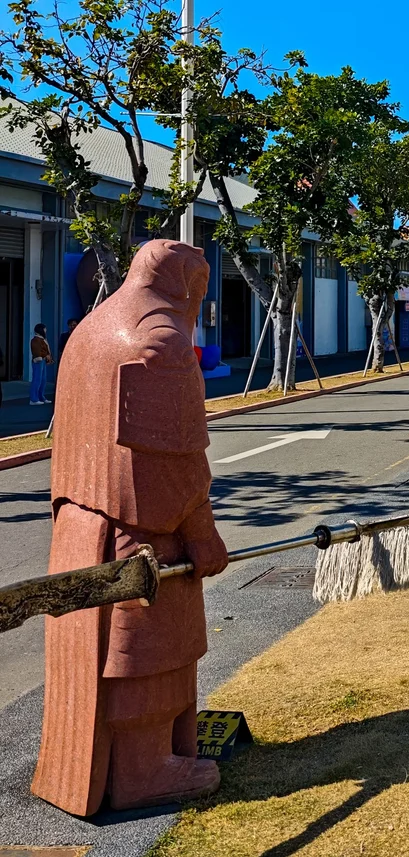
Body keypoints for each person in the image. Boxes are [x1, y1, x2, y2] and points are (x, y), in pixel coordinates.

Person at [32, 239, 227, 816]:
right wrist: (202, 530)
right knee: (149, 648)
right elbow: (174, 459)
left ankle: (103, 766)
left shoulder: (89, 331)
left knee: (92, 655)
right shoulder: (159, 340)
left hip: (78, 526)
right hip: (139, 531)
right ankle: (144, 771)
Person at [29, 323, 52, 404]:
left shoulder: (42, 339)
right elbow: (36, 351)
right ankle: (34, 399)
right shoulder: (36, 340)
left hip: (42, 360)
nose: (46, 331)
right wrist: (40, 357)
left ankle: (40, 397)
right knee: (37, 380)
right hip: (38, 361)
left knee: (42, 380)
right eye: (44, 329)